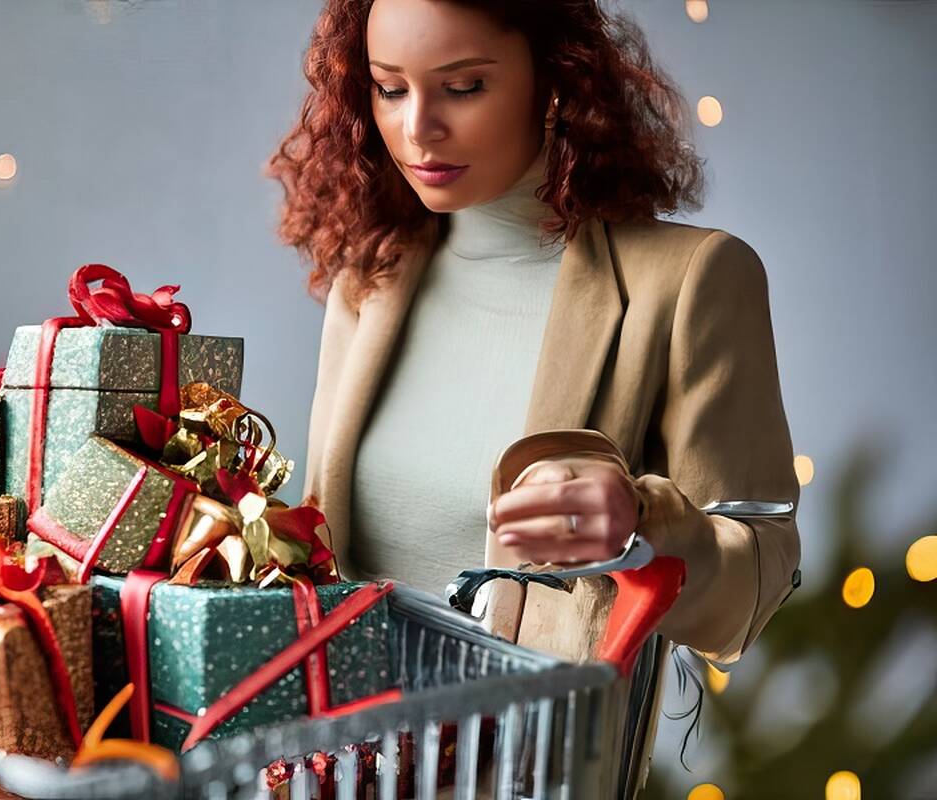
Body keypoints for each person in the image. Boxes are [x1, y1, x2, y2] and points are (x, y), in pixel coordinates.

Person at [265, 0, 801, 794]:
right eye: (390, 88)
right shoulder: (368, 277)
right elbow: (319, 557)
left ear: (555, 78)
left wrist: (642, 528)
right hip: (329, 773)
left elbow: (762, 573)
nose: (418, 129)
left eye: (464, 87)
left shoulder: (693, 281)